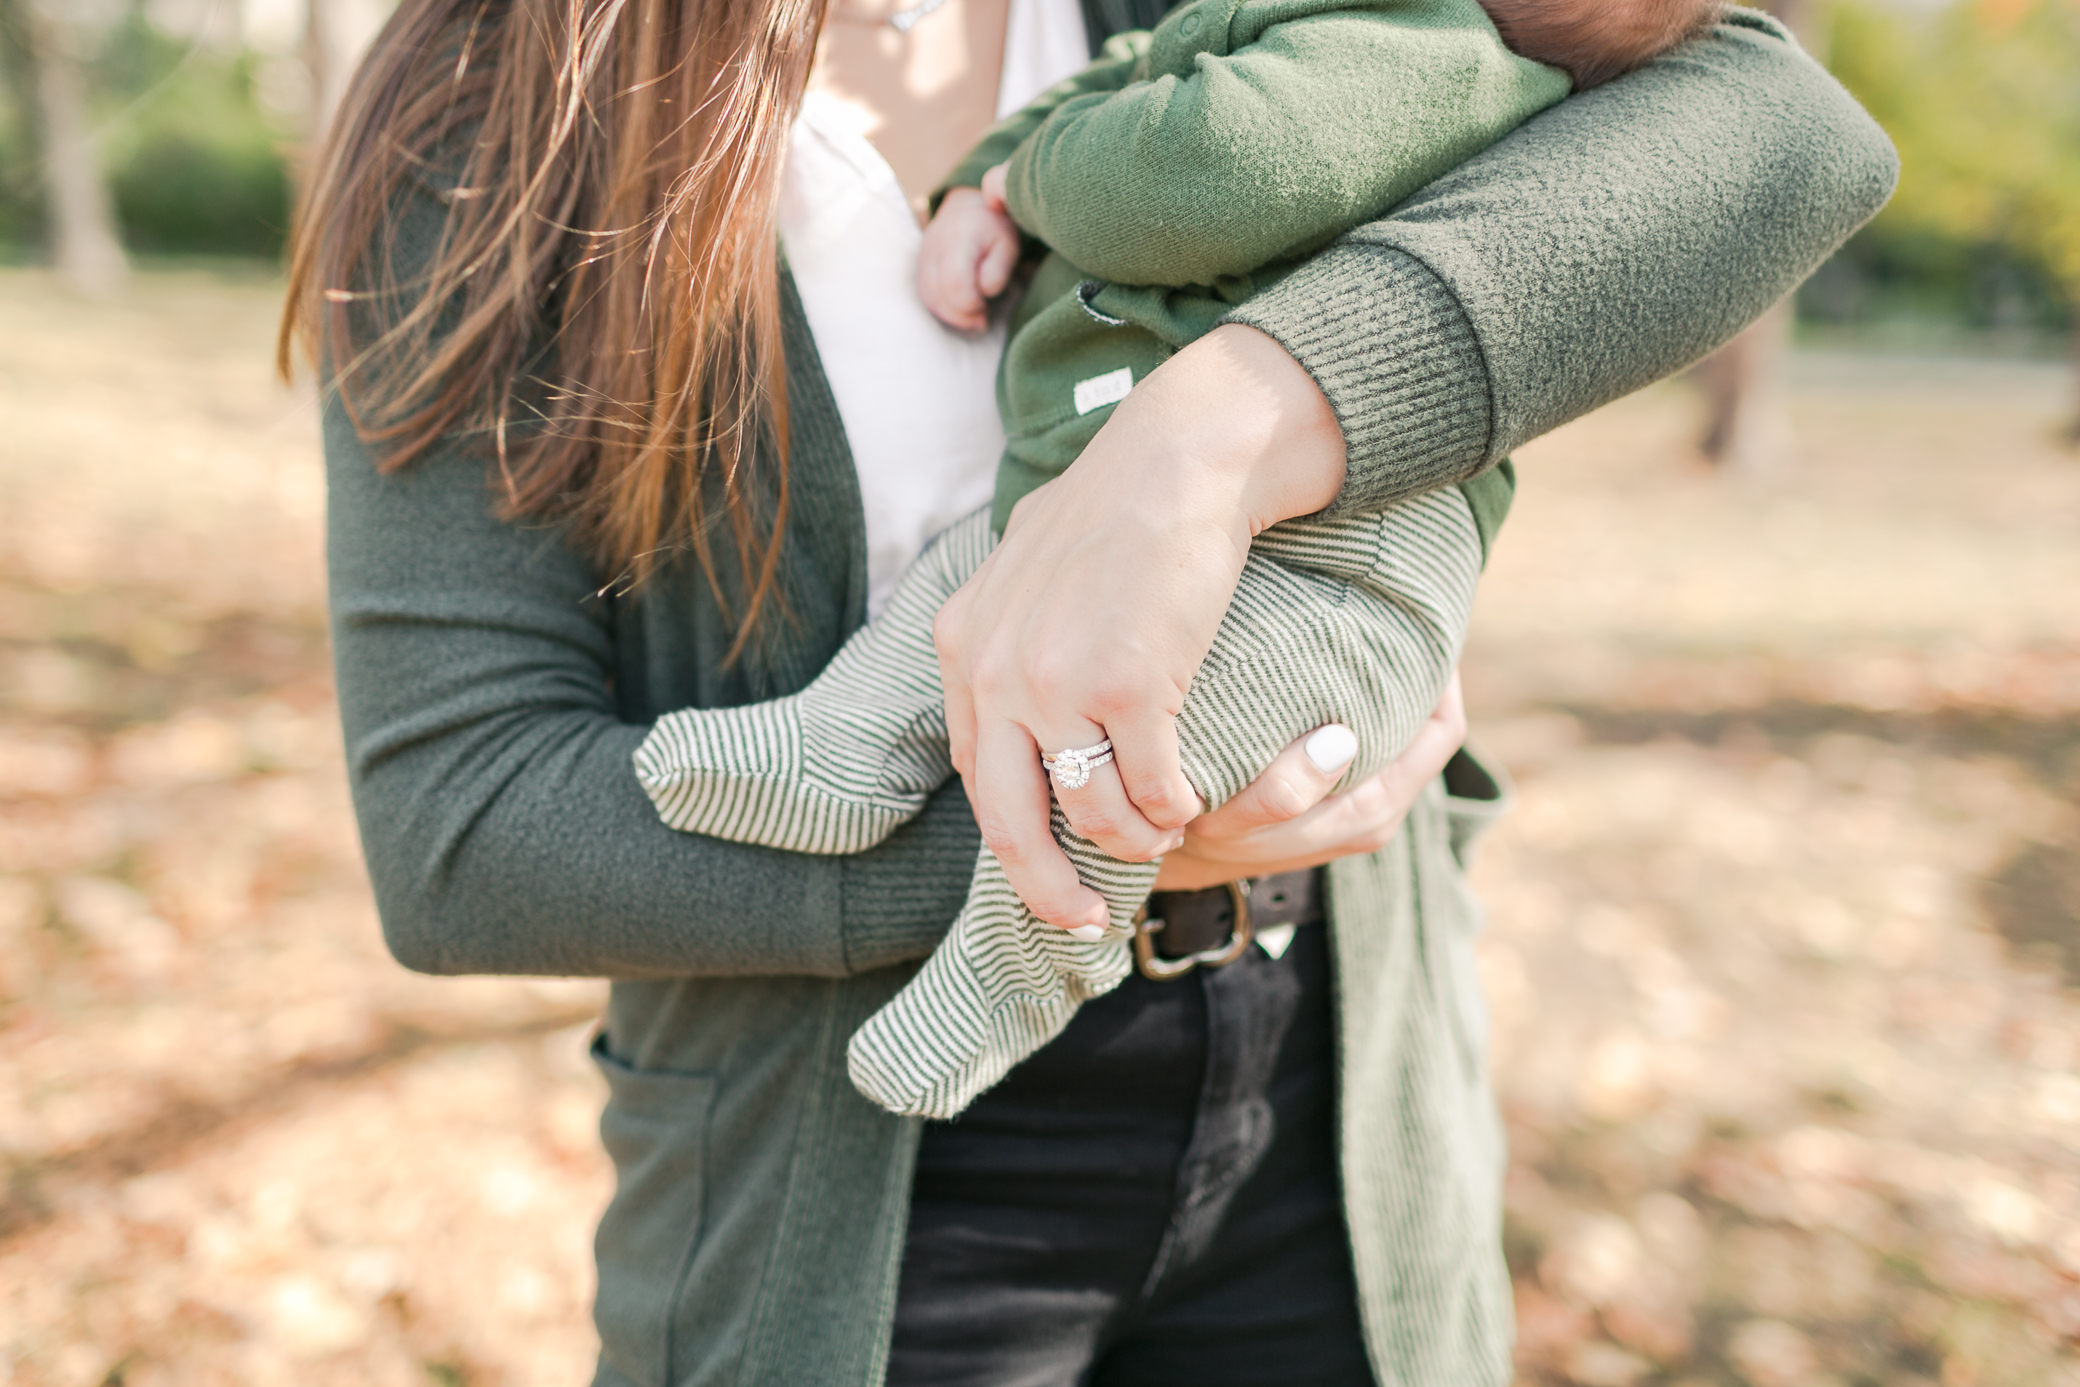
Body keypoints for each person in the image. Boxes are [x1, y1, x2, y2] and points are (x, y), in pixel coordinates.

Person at [283, 0, 1896, 1381]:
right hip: (849, 1163)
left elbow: (1784, 131)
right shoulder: (500, 119)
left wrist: (1232, 422)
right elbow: (459, 830)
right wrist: (1074, 850)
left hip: (1337, 1094)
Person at [630, 0, 1722, 1122]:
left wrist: (1035, 175)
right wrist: (989, 173)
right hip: (1098, 488)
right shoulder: (1283, 13)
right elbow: (1132, 66)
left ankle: (1032, 950)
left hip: (1323, 577)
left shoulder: (1431, 53)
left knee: (1141, 741)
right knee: (974, 588)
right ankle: (843, 745)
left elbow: (1205, 169)